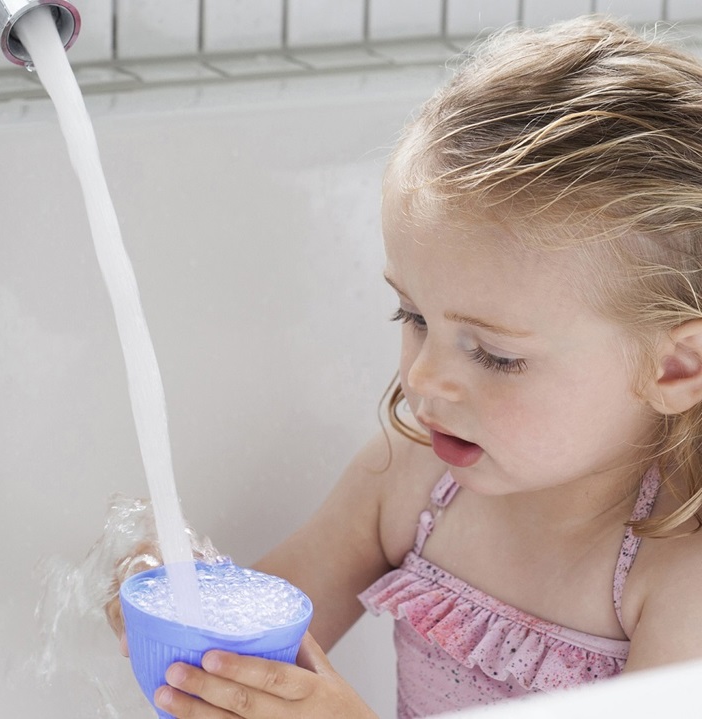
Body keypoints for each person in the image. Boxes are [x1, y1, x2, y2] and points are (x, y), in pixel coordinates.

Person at [108, 15, 702, 718]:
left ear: (675, 367)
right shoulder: (413, 480)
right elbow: (246, 665)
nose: (423, 380)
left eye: (496, 355)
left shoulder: (675, 577)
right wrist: (172, 599)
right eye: (414, 318)